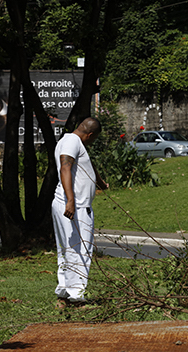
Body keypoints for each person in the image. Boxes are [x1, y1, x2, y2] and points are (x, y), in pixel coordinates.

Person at [52, 117, 108, 307]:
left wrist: (100, 183)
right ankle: (75, 295)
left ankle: (65, 291)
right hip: (74, 206)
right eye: (93, 139)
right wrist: (71, 200)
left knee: (68, 249)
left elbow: (87, 166)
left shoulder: (73, 143)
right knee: (80, 249)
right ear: (90, 134)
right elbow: (65, 168)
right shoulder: (71, 141)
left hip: (74, 205)